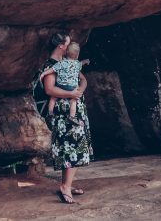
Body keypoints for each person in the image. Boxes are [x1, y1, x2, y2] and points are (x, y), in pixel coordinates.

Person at [40, 32, 93, 205]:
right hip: (63, 113)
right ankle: (65, 187)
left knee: (72, 146)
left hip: (75, 107)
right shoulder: (51, 65)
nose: (70, 46)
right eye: (68, 43)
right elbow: (49, 90)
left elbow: (83, 80)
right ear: (61, 46)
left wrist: (79, 92)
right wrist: (72, 93)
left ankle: (66, 184)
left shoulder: (69, 63)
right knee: (71, 147)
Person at [40, 41, 89, 123]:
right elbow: (49, 90)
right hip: (72, 88)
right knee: (73, 101)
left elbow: (52, 70)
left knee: (53, 98)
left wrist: (43, 73)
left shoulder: (61, 63)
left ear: (67, 52)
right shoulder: (77, 64)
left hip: (61, 86)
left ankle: (50, 112)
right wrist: (74, 93)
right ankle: (72, 117)